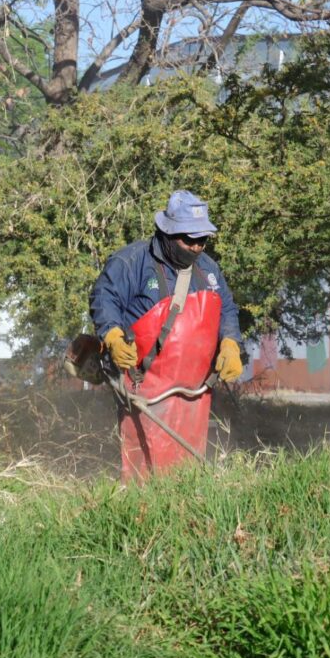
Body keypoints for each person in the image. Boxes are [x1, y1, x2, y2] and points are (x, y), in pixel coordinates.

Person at [90, 190, 244, 482]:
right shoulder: (131, 262)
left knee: (184, 462)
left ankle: (180, 500)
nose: (197, 247)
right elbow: (104, 296)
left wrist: (230, 342)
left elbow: (226, 308)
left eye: (203, 240)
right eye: (189, 239)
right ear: (167, 233)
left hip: (193, 388)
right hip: (143, 383)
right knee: (141, 457)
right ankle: (136, 504)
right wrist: (111, 335)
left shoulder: (208, 270)